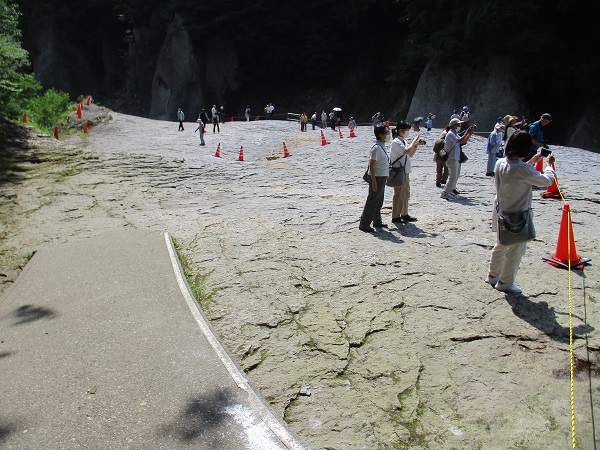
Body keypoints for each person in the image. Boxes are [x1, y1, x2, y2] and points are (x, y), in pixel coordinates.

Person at [485, 130, 556, 294]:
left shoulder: (500, 163)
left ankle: (493, 275)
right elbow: (546, 180)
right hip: (518, 216)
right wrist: (549, 165)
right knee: (516, 250)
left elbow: (518, 169)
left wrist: (534, 160)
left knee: (501, 244)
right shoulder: (523, 169)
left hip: (501, 211)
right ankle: (505, 282)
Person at [390, 121, 423, 223]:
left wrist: (416, 145)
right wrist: (414, 141)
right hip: (399, 171)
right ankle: (395, 216)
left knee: (405, 194)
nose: (407, 132)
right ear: (401, 130)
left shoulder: (403, 141)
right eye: (407, 130)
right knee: (399, 194)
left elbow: (410, 154)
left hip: (405, 170)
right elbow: (407, 151)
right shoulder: (396, 142)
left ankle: (404, 213)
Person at [359, 125, 390, 233]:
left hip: (382, 176)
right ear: (381, 135)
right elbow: (371, 165)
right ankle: (364, 223)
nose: (388, 134)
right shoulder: (377, 148)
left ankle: (377, 220)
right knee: (372, 201)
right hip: (377, 177)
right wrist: (374, 182)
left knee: (379, 200)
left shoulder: (382, 145)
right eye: (386, 133)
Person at [441, 118, 475, 200]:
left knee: (455, 176)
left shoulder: (454, 133)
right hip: (451, 158)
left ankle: (450, 191)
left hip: (455, 157)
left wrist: (469, 134)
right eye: (458, 124)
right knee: (453, 176)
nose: (460, 126)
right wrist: (467, 132)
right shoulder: (450, 134)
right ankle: (446, 192)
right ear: (454, 125)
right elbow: (460, 141)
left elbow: (463, 141)